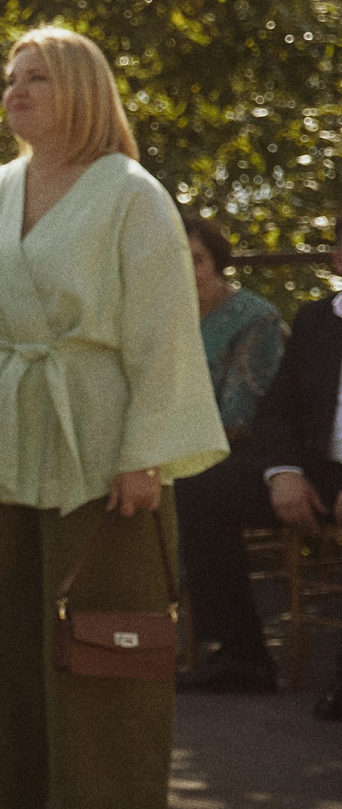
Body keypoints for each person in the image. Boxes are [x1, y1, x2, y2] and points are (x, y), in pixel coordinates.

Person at [0, 28, 225, 809]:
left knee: (100, 628)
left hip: (95, 433)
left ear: (84, 91)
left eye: (38, 78)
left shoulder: (132, 193)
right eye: (11, 78)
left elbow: (163, 331)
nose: (15, 91)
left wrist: (145, 453)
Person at [171, 214, 288, 695]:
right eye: (175, 260)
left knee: (196, 486)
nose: (187, 270)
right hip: (170, 445)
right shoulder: (162, 315)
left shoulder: (254, 318)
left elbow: (241, 420)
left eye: (196, 259)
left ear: (217, 261)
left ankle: (237, 653)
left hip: (244, 453)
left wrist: (164, 452)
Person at [250, 222, 342, 721]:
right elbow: (277, 409)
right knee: (204, 488)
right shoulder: (315, 320)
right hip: (316, 470)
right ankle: (240, 657)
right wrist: (283, 471)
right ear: (337, 259)